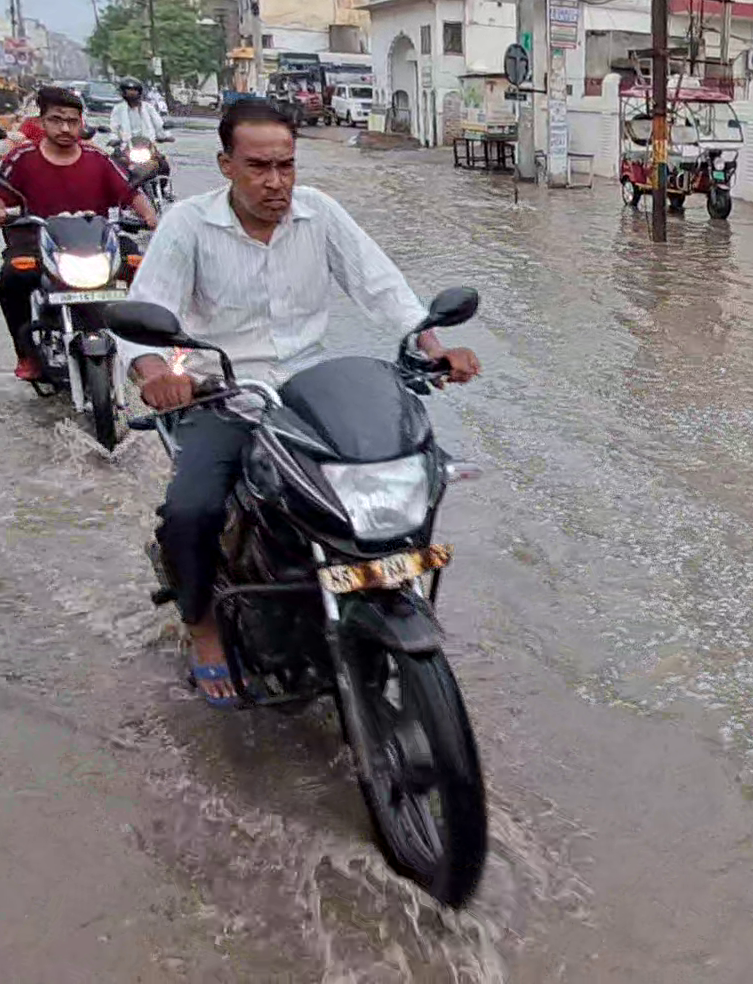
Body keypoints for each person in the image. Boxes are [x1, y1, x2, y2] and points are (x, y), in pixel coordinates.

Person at [119, 99, 481, 704]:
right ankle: (204, 628)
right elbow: (146, 310)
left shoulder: (321, 215)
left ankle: (372, 595)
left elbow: (381, 284)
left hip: (309, 395)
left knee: (400, 474)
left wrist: (433, 346)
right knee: (191, 509)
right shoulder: (187, 225)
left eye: (286, 166)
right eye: (259, 166)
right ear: (226, 165)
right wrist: (156, 369)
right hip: (226, 395)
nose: (276, 182)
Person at [0, 86, 160, 380]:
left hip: (96, 242)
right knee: (14, 277)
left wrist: (151, 216)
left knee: (140, 267)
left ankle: (144, 350)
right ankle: (26, 353)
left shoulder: (98, 158)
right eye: (56, 119)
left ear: (81, 123)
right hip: (37, 240)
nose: (65, 128)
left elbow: (131, 191)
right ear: (42, 122)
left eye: (72, 121)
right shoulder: (23, 157)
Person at [110, 78, 173, 199]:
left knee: (164, 165)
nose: (132, 93)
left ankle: (161, 190)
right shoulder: (118, 109)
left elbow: (159, 124)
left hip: (147, 145)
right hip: (127, 146)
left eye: (134, 90)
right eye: (128, 90)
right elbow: (114, 128)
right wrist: (113, 139)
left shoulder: (148, 108)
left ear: (140, 92)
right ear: (123, 92)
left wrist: (165, 136)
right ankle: (119, 194)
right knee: (113, 164)